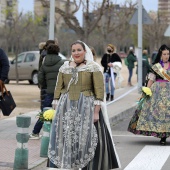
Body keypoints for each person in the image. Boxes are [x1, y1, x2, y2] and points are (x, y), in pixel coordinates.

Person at [47, 40, 121, 169]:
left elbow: (99, 90)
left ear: (85, 51)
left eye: (79, 50)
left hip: (87, 107)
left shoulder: (92, 67)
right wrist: (56, 107)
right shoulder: (65, 67)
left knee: (88, 139)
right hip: (67, 107)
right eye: (73, 50)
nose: (76, 53)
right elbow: (58, 88)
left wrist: (96, 111)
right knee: (68, 138)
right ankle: (70, 165)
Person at [127, 44, 170, 145]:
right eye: (164, 54)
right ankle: (162, 136)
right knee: (160, 114)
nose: (166, 56)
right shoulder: (156, 67)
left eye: (168, 54)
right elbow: (151, 80)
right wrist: (146, 91)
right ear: (160, 54)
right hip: (157, 92)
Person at [29, 40, 60, 139]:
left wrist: (46, 85)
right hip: (60, 92)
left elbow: (40, 78)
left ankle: (35, 132)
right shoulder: (62, 62)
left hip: (49, 91)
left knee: (45, 112)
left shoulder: (44, 62)